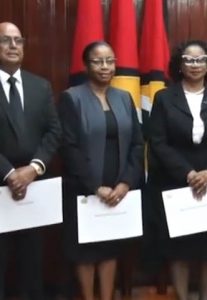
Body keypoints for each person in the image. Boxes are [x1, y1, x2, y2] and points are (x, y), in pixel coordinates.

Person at [144, 40, 207, 300]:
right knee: (179, 249)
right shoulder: (164, 98)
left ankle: (206, 296)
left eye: (200, 60)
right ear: (179, 65)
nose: (195, 65)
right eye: (189, 60)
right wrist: (187, 173)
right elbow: (158, 142)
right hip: (176, 180)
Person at [58, 41, 144, 300]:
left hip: (118, 187)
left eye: (110, 60)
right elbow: (69, 147)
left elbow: (138, 144)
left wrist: (126, 183)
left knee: (110, 248)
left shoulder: (124, 97)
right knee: (85, 250)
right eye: (98, 61)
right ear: (86, 65)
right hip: (84, 188)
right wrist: (96, 185)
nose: (105, 66)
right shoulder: (71, 98)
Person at [0, 22, 61, 300]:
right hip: (1, 186)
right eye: (5, 40)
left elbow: (54, 131)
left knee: (32, 262)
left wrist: (33, 169)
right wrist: (10, 173)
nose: (13, 46)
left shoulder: (40, 86)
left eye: (18, 41)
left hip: (35, 189)